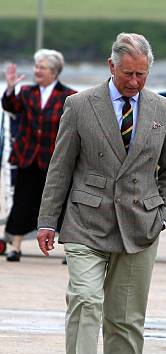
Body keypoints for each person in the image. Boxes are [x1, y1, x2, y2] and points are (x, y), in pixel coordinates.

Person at [36, 33, 166, 354]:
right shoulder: (80, 105)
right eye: (128, 74)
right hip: (86, 220)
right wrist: (48, 220)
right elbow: (60, 167)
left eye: (142, 74)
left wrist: (164, 213)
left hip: (139, 224)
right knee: (85, 301)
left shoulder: (162, 108)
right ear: (111, 66)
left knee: (126, 317)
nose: (134, 82)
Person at [2, 50, 76, 261]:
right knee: (22, 202)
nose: (37, 71)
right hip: (28, 157)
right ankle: (14, 247)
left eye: (42, 68)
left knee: (60, 205)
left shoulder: (69, 96)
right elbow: (10, 106)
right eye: (36, 67)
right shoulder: (26, 92)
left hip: (55, 159)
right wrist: (9, 88)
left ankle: (69, 251)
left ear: (54, 72)